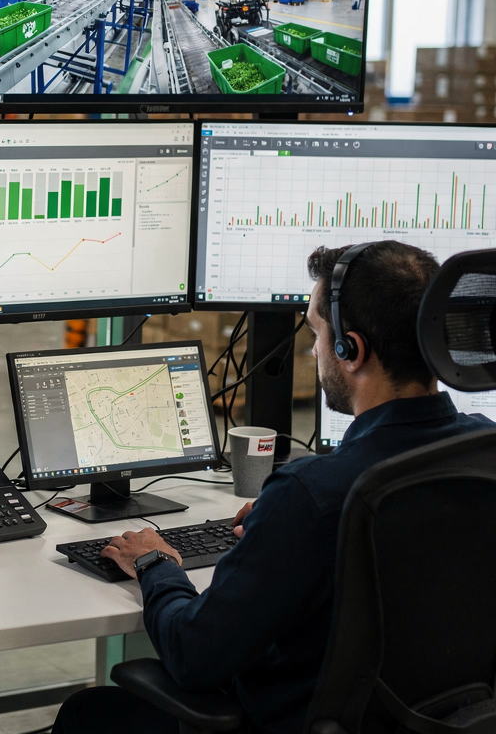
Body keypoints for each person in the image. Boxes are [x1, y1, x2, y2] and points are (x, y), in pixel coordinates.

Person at [52, 241, 494, 734]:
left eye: (317, 334)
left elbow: (195, 655)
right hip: (440, 719)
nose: (313, 349)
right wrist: (279, 527)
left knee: (86, 715)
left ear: (351, 350)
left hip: (294, 722)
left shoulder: (312, 494)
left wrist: (155, 563)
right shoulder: (481, 453)